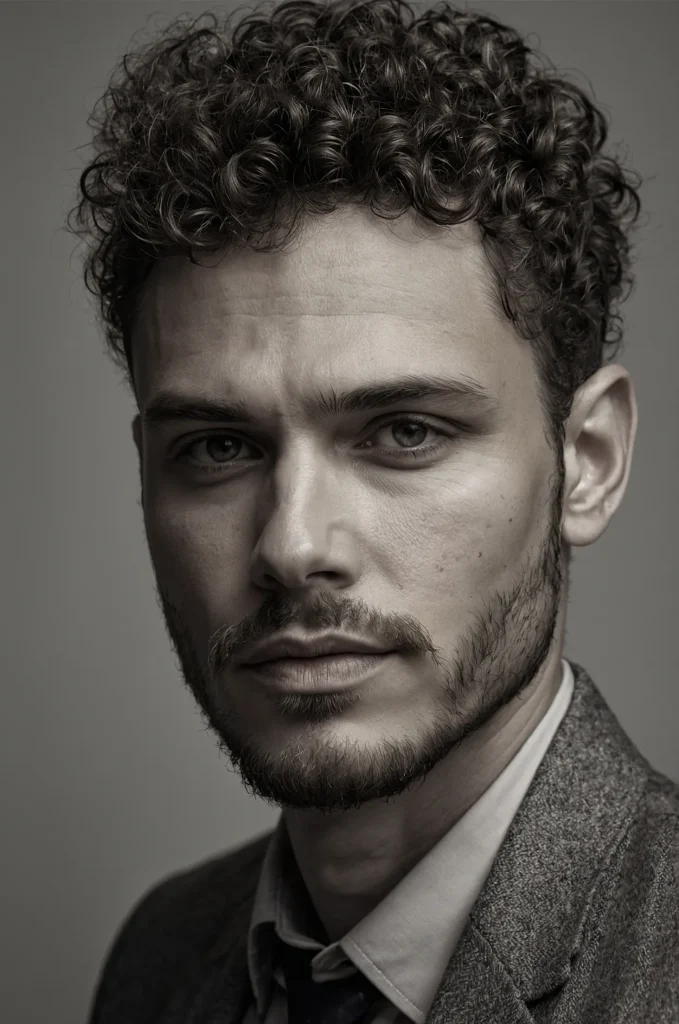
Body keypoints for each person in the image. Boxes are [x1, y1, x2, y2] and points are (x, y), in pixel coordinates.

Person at [67, 1, 678, 1021]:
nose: (293, 545)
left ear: (587, 459)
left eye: (404, 432)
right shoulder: (160, 958)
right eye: (217, 447)